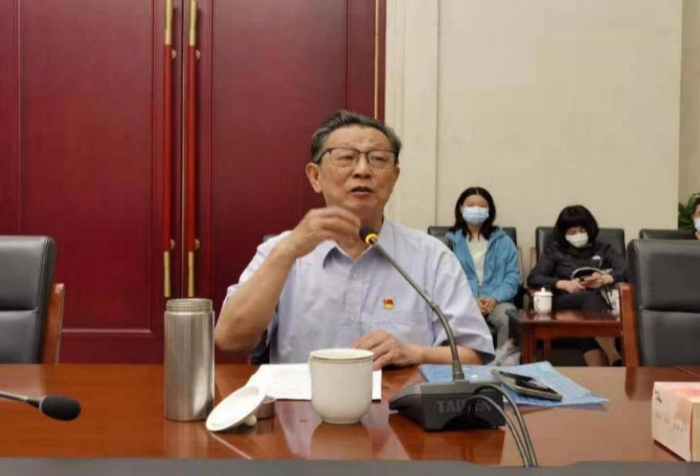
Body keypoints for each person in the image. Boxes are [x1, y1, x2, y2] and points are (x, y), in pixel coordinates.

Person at [215, 110, 494, 369]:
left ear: (394, 177)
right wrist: (284, 254)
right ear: (315, 176)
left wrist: (414, 353)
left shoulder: (432, 257)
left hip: (400, 406)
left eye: (378, 159)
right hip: (301, 405)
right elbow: (228, 340)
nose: (362, 170)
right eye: (346, 157)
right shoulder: (280, 252)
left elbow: (476, 356)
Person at [527, 205, 627, 366]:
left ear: (590, 229)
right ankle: (614, 356)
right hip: (563, 302)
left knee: (587, 319)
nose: (578, 235)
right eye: (572, 232)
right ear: (563, 234)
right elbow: (534, 278)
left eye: (582, 230)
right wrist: (563, 284)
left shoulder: (603, 249)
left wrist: (607, 278)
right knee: (588, 299)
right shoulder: (554, 251)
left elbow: (629, 270)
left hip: (598, 303)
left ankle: (601, 376)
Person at [445, 187, 520, 357]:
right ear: (461, 208)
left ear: (489, 210)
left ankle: (503, 365)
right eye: (471, 205)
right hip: (462, 301)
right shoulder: (449, 241)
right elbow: (446, 279)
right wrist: (471, 301)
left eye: (482, 206)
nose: (476, 209)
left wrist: (494, 298)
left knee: (508, 318)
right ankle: (463, 366)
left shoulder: (503, 241)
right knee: (452, 319)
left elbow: (512, 277)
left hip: (498, 302)